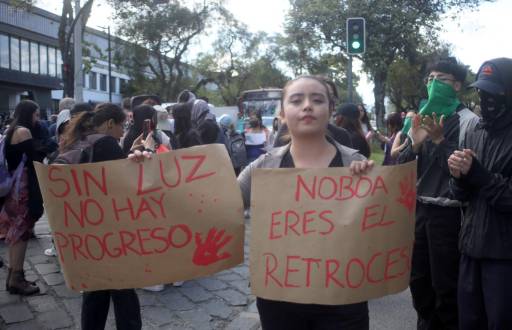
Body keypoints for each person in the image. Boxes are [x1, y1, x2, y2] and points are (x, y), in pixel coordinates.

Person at [238, 75, 373, 330]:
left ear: (331, 111)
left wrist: (371, 185)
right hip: (280, 300)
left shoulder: (356, 165)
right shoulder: (264, 167)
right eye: (297, 100)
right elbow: (214, 204)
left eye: (317, 100)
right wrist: (146, 171)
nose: (307, 106)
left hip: (344, 300)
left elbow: (381, 228)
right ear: (283, 112)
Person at [397, 57, 480, 330]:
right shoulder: (419, 117)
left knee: (446, 284)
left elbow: (468, 171)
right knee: (418, 280)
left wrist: (439, 142)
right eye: (430, 79)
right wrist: (416, 146)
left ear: (457, 85)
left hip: (451, 213)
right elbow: (400, 167)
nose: (433, 85)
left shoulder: (470, 122)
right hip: (419, 209)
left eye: (441, 79)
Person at [59, 103, 142, 330]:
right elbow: (123, 186)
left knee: (95, 291)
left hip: (87, 233)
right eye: (121, 126)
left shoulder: (77, 140)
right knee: (124, 292)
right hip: (112, 233)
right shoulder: (106, 144)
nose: (123, 132)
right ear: (109, 124)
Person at [447, 57, 512, 330]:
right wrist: (459, 177)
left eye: (493, 93)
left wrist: (480, 175)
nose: (485, 100)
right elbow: (461, 196)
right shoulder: (475, 131)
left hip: (505, 257)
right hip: (471, 249)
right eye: (481, 92)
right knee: (469, 322)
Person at [0, 100, 45, 295]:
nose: (38, 119)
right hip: (23, 189)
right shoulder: (23, 132)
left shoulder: (11, 130)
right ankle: (16, 278)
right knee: (21, 233)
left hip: (13, 190)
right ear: (29, 114)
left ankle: (14, 276)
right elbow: (35, 158)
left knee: (15, 232)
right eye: (36, 115)